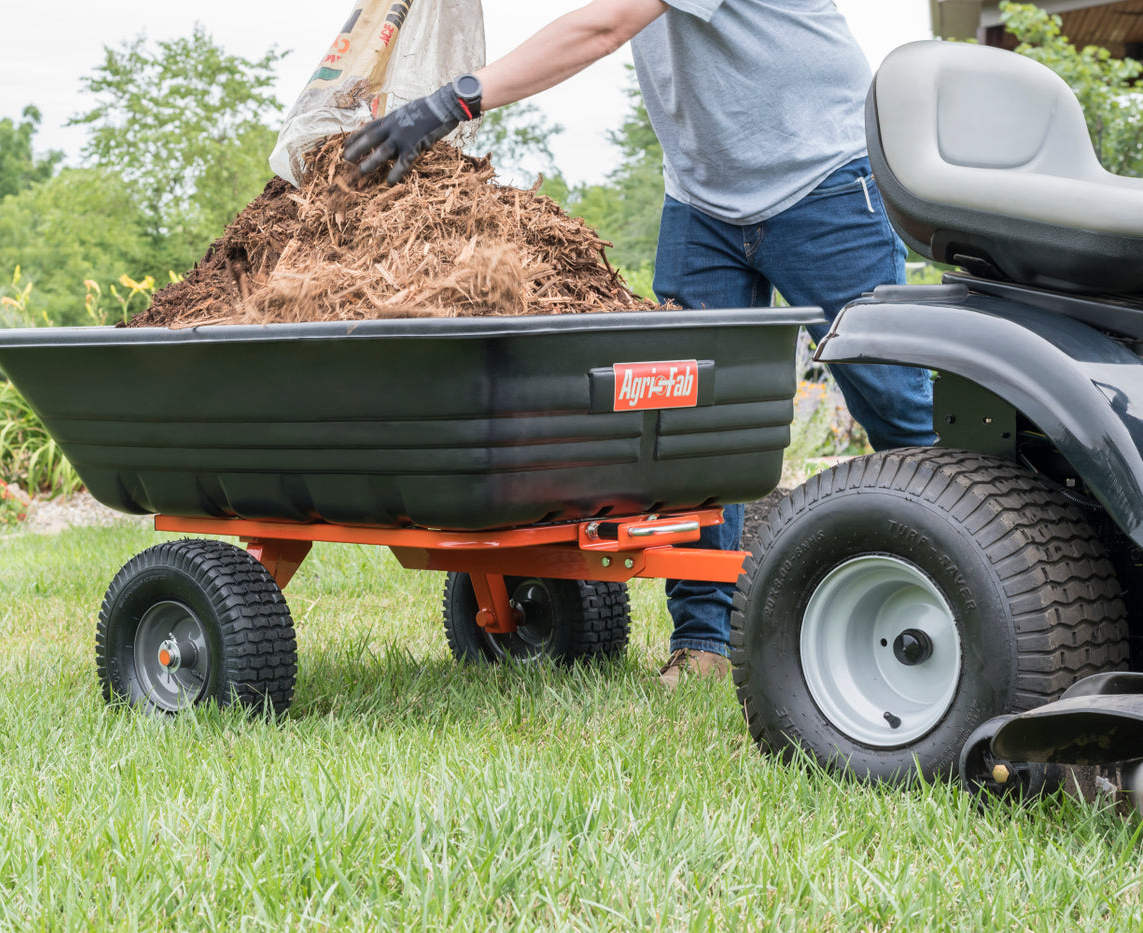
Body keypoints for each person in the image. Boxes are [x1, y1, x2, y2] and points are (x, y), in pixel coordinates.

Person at [344, 0, 936, 682]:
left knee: (897, 405)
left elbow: (602, 25)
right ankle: (705, 641)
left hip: (824, 182)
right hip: (704, 203)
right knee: (690, 428)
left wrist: (451, 101)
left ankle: (989, 585)